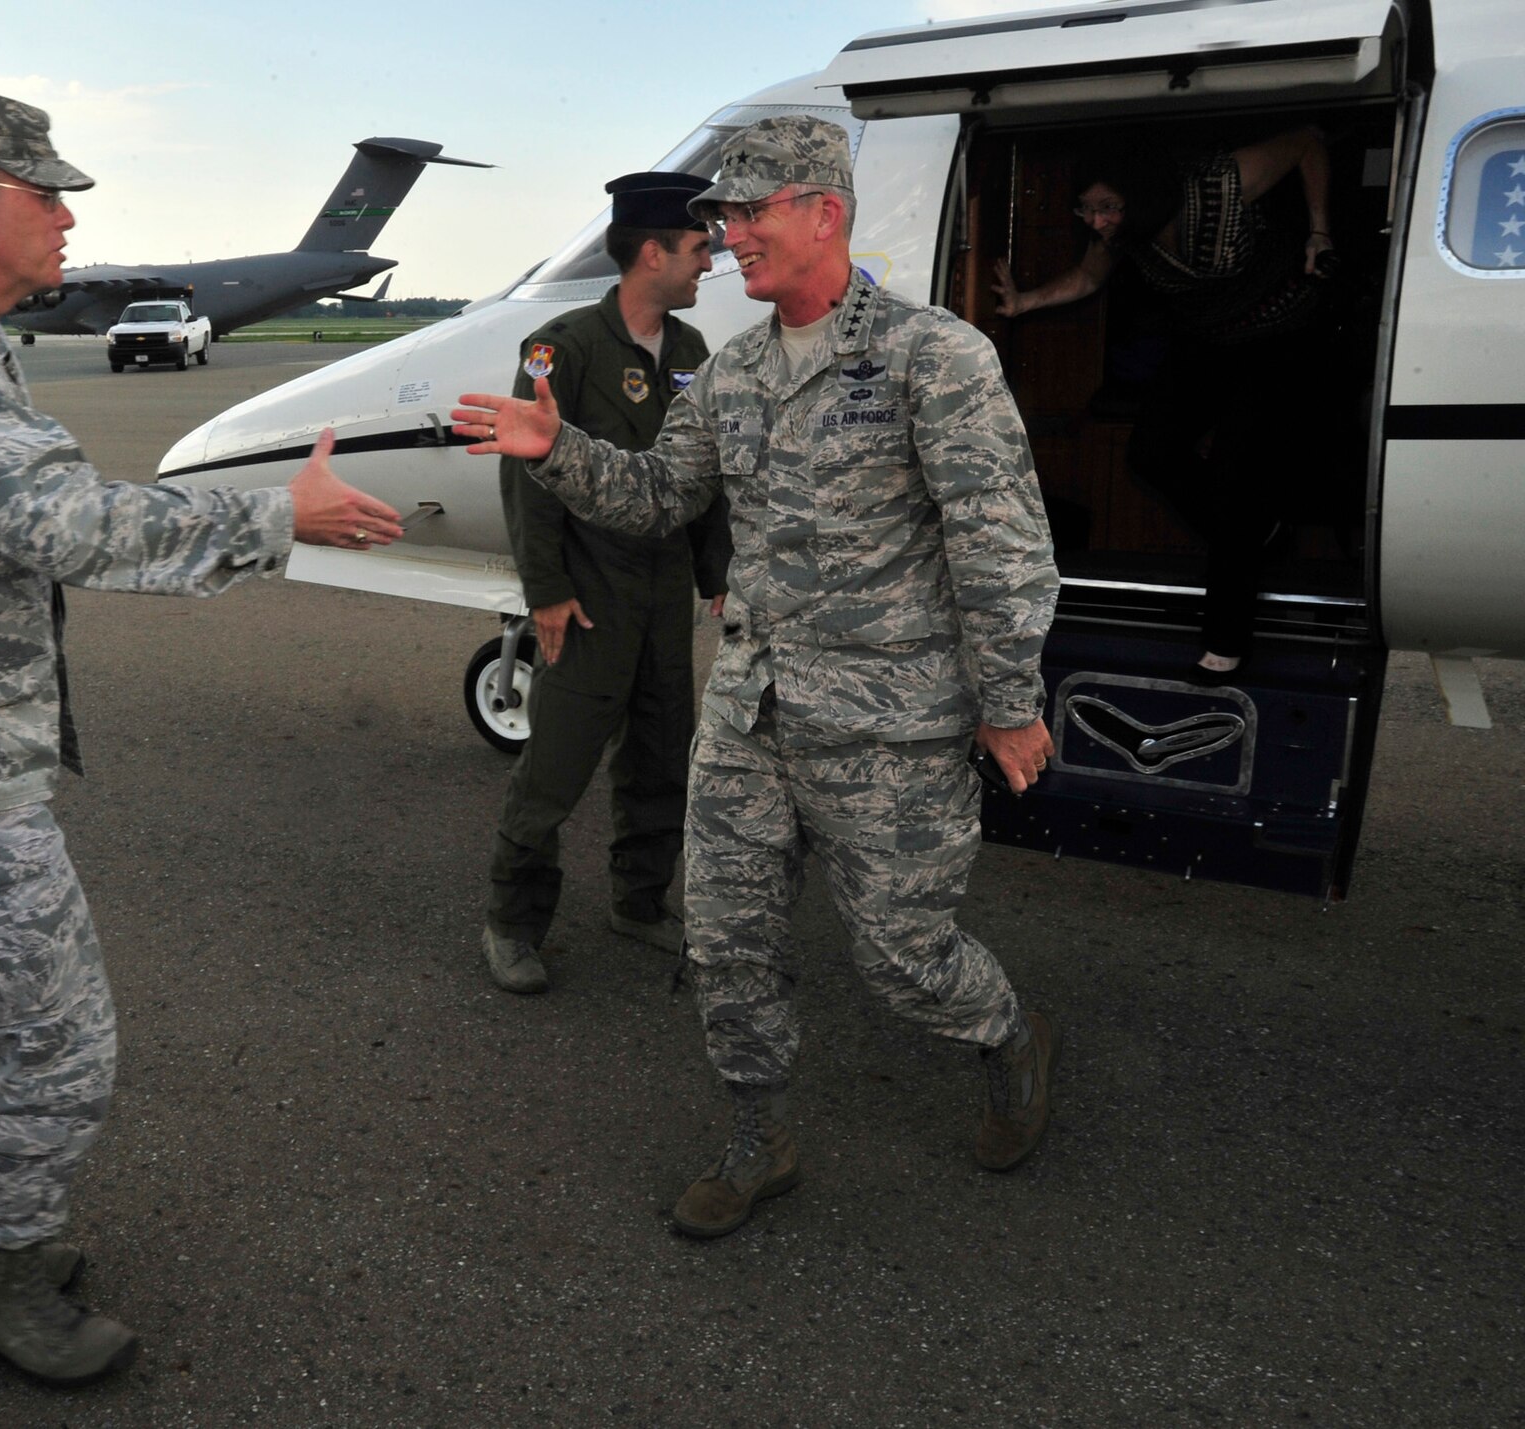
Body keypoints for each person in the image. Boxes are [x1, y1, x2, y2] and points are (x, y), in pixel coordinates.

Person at [0, 86, 400, 1384]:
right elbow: (70, 525)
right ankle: (0, 1279)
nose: (67, 218)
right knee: (55, 1036)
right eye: (46, 192)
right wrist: (277, 517)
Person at [453, 116, 1063, 1238]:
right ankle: (758, 1135)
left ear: (821, 212)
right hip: (749, 716)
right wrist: (558, 451)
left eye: (746, 212)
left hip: (887, 725)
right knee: (726, 944)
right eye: (716, 221)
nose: (726, 236)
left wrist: (1009, 705)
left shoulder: (931, 357)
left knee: (902, 959)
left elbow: (1001, 544)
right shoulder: (728, 372)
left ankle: (1004, 1032)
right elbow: (657, 497)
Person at [482, 170, 731, 995]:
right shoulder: (563, 349)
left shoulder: (692, 353)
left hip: (662, 596)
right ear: (651, 252)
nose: (710, 260)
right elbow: (528, 476)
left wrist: (716, 576)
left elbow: (704, 479)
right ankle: (513, 923)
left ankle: (639, 900)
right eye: (698, 247)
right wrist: (545, 588)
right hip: (589, 596)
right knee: (554, 768)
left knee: (663, 758)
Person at [992, 129, 1341, 677]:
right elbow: (1087, 277)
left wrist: (1320, 229)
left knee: (1235, 479)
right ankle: (1256, 537)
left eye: (1107, 208)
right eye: (1086, 208)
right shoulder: (1121, 233)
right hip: (1206, 339)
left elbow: (1305, 142)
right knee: (1151, 454)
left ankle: (1225, 643)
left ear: (1143, 192)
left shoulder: (1220, 183)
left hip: (1277, 335)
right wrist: (1023, 302)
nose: (1096, 221)